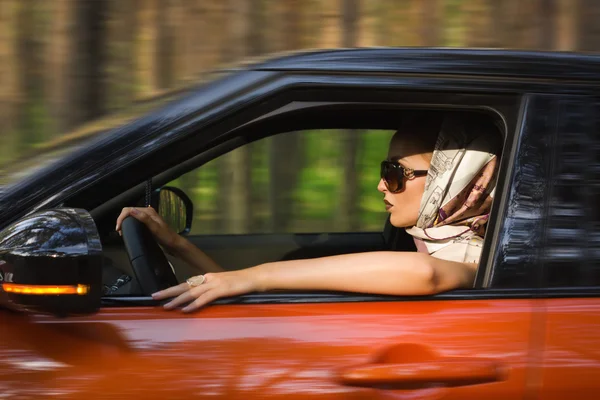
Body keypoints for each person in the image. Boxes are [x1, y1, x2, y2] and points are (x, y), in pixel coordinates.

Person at [116, 113, 500, 313]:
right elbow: (245, 296)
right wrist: (178, 245)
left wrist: (257, 277)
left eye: (394, 173)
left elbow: (427, 275)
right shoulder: (436, 241)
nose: (381, 186)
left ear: (452, 181)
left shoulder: (476, 254)